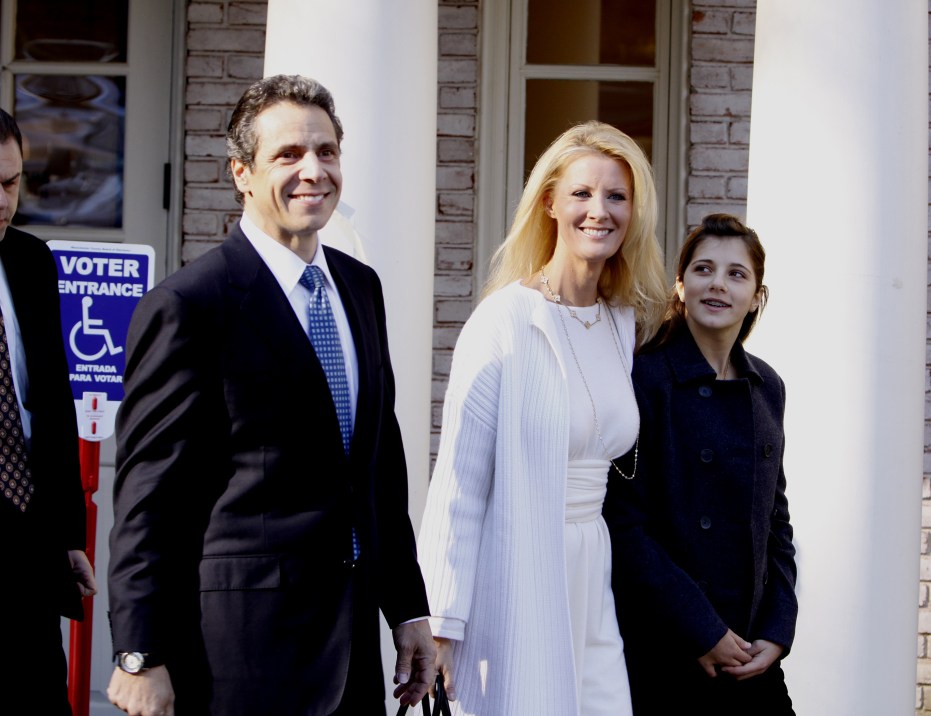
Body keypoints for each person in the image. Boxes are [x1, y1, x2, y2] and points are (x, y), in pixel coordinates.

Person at [106, 75, 434, 716]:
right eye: (288, 155)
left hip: (351, 657)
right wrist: (139, 652)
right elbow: (150, 499)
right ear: (242, 173)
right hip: (237, 659)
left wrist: (408, 607)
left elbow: (376, 468)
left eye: (327, 151)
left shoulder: (360, 288)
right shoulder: (189, 306)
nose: (313, 170)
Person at [417, 121, 667, 715]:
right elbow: (459, 481)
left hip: (594, 569)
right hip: (521, 565)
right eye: (581, 193)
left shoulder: (624, 324)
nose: (598, 211)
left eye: (616, 196)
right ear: (549, 202)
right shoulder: (503, 321)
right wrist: (443, 623)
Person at [605, 213, 798, 714]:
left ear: (757, 295)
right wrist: (702, 629)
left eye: (736, 274)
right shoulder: (643, 378)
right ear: (680, 285)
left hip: (751, 655)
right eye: (703, 269)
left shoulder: (767, 386)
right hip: (668, 648)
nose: (718, 283)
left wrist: (777, 630)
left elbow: (775, 519)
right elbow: (624, 524)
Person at [0, 108, 98, 715]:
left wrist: (69, 536)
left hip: (27, 548)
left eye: (10, 183)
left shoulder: (31, 262)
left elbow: (51, 405)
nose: (1, 201)